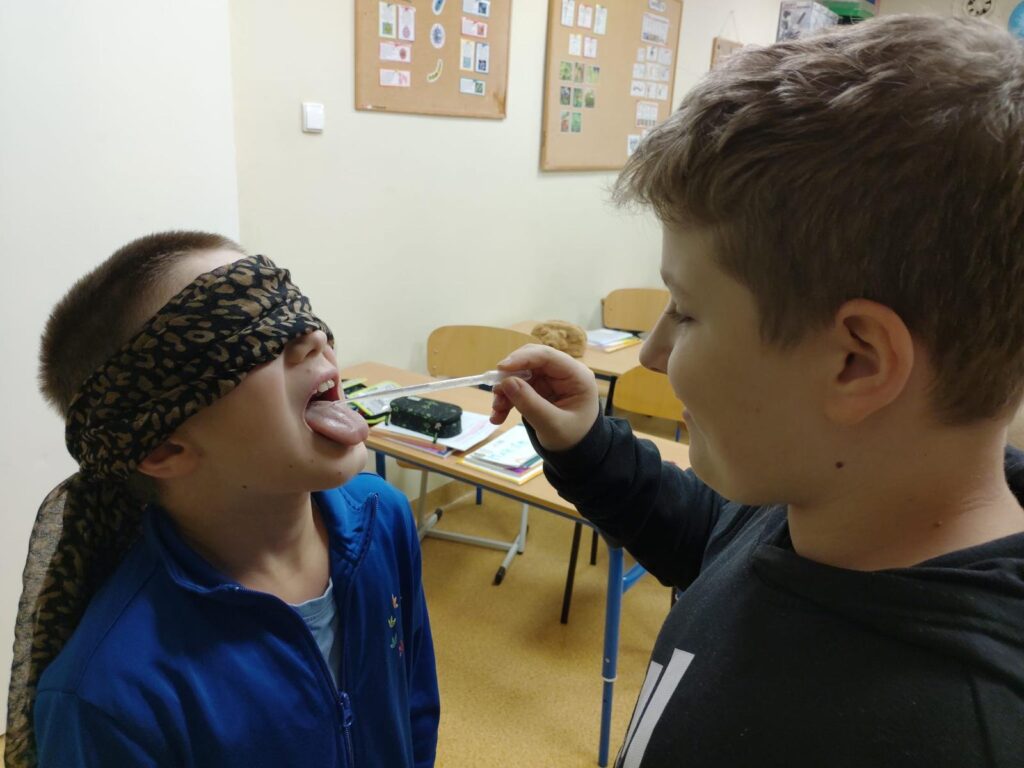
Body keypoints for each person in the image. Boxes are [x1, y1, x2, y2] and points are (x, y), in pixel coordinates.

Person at [491, 15, 1024, 768]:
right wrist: (585, 442)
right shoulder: (824, 502)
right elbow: (716, 542)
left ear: (855, 363)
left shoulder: (950, 733)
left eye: (685, 311)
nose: (654, 353)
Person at [6, 231, 439, 767]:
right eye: (245, 331)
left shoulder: (382, 516)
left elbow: (415, 709)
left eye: (291, 303)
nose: (311, 336)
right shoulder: (105, 698)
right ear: (164, 446)